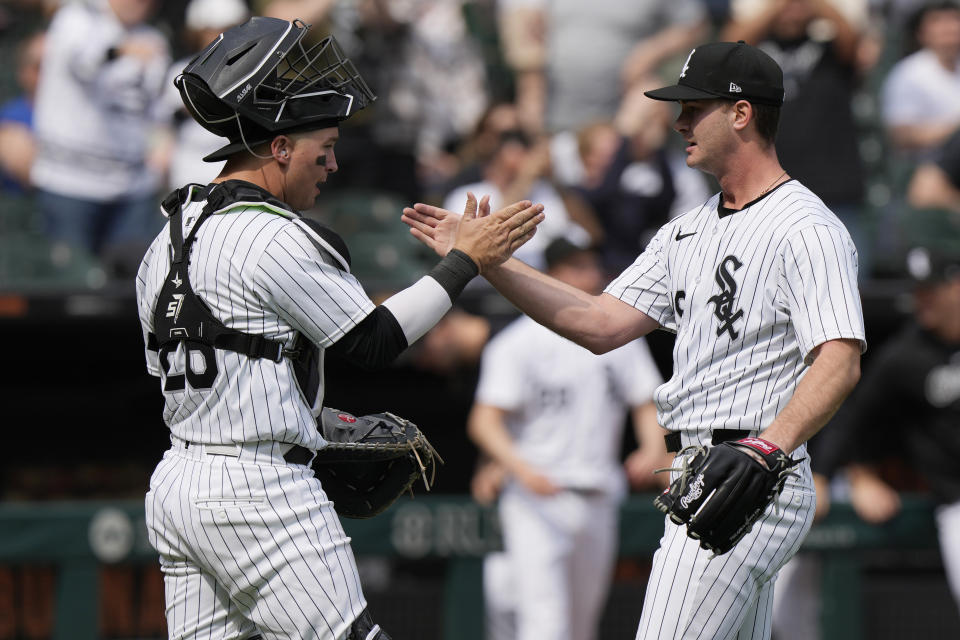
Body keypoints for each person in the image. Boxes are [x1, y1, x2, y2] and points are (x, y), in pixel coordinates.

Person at [403, 40, 865, 639]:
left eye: (693, 109)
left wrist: (767, 449)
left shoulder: (807, 228)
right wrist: (485, 261)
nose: (678, 123)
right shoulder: (686, 231)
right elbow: (599, 323)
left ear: (742, 113)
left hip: (750, 470)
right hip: (705, 468)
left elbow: (839, 360)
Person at [135, 17, 544, 639]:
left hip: (178, 482)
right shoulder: (270, 233)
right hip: (259, 492)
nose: (331, 164)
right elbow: (373, 342)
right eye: (321, 148)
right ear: (278, 148)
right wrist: (466, 263)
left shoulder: (166, 235)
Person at [466, 237, 667, 640]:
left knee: (581, 626)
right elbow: (484, 420)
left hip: (599, 493)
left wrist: (651, 448)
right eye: (578, 266)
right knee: (545, 624)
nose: (591, 274)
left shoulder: (618, 339)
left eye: (592, 264)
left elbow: (646, 402)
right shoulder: (517, 341)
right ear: (554, 274)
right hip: (538, 498)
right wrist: (519, 469)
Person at [807, 244, 960, 621]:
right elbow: (853, 418)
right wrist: (831, 474)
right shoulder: (904, 356)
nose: (921, 300)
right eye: (917, 291)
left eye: (931, 289)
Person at [31, 0, 171, 269]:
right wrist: (119, 50)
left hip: (132, 187)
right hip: (71, 183)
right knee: (70, 283)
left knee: (137, 284)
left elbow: (156, 109)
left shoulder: (153, 39)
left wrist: (162, 145)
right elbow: (83, 63)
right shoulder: (76, 17)